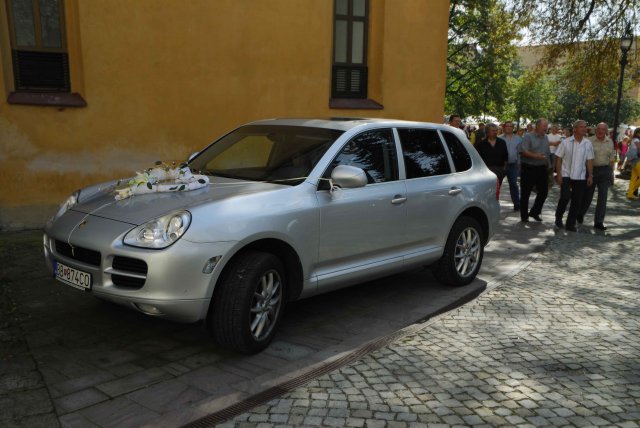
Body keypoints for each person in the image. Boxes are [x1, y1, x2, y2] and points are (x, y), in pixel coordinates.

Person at [554, 120, 594, 232]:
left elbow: (590, 160)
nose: (584, 129)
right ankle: (558, 217)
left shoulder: (588, 143)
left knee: (577, 201)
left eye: (585, 127)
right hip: (566, 174)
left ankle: (570, 224)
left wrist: (590, 175)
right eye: (581, 127)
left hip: (580, 176)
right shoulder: (565, 142)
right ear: (575, 129)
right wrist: (558, 174)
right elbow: (558, 158)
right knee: (565, 197)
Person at [578, 122, 616, 230]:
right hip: (591, 170)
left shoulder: (610, 142)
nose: (600, 131)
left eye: (603, 129)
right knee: (587, 196)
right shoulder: (589, 141)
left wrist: (612, 173)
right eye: (598, 129)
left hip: (605, 170)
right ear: (596, 130)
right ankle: (580, 214)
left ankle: (599, 222)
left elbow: (612, 159)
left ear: (606, 131)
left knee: (603, 197)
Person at [520, 118, 551, 222]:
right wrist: (536, 156)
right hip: (529, 168)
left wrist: (549, 166)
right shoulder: (528, 136)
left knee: (544, 192)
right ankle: (524, 216)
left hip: (542, 168)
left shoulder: (546, 137)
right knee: (525, 193)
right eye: (544, 126)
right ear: (537, 126)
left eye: (546, 126)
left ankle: (535, 212)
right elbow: (523, 151)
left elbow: (547, 153)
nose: (546, 128)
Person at [499, 121, 522, 210]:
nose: (509, 127)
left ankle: (517, 204)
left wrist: (519, 164)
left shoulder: (518, 139)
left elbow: (520, 153)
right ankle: (493, 203)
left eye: (510, 126)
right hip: (501, 165)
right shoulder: (499, 138)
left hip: (513, 165)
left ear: (513, 128)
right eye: (507, 126)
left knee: (513, 184)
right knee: (497, 185)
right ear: (504, 127)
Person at [626, 128, 640, 200]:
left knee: (633, 178)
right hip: (637, 161)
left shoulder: (633, 140)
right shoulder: (637, 140)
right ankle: (630, 191)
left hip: (634, 161)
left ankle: (630, 194)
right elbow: (639, 148)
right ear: (637, 133)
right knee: (634, 178)